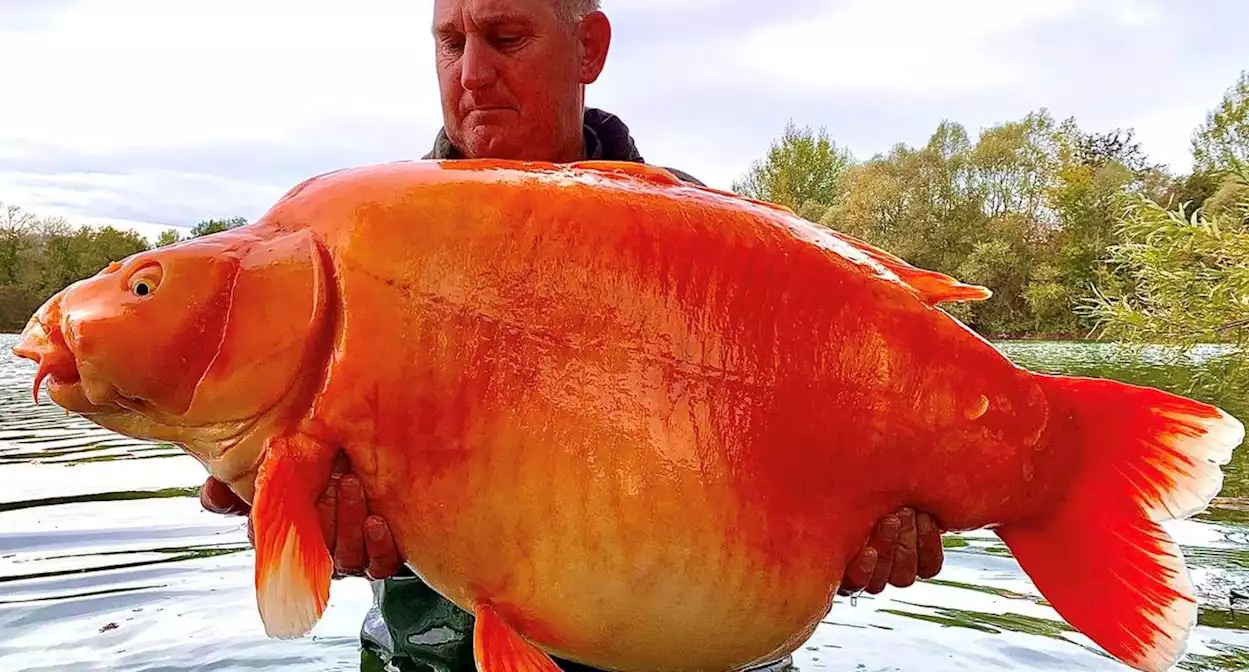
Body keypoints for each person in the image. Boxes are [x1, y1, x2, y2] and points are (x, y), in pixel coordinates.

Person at [199, 0, 946, 670]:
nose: (475, 72)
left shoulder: (718, 245)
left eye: (506, 36)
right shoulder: (357, 247)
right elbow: (299, 530)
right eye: (451, 42)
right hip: (428, 660)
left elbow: (794, 498)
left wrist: (857, 549)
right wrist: (310, 526)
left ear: (589, 48)